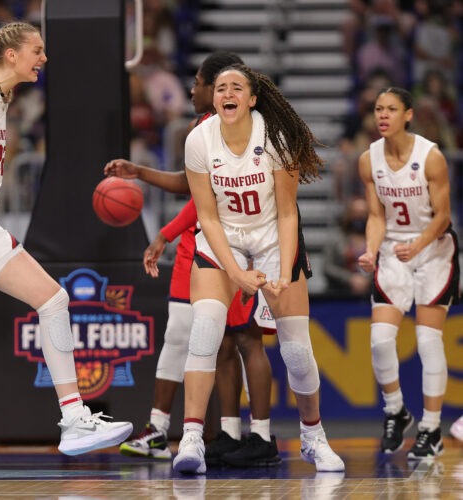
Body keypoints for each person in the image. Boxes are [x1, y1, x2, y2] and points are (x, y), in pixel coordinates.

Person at [0, 21, 133, 455]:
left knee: (54, 299)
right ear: (12, 54)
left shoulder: (0, 96)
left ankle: (74, 418)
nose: (44, 58)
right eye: (37, 50)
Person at [105, 51, 278, 467]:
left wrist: (164, 233)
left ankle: (257, 434)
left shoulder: (247, 130)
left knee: (242, 340)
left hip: (245, 242)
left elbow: (203, 201)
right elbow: (193, 187)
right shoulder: (203, 131)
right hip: (212, 244)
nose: (193, 89)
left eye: (201, 82)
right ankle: (222, 434)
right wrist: (140, 172)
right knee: (212, 341)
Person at [171, 63, 345, 474]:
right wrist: (234, 272)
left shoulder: (276, 138)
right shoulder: (198, 140)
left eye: (236, 87)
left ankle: (313, 438)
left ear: (251, 98)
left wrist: (283, 272)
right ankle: (192, 438)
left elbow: (287, 214)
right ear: (214, 99)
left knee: (297, 349)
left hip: (271, 236)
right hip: (223, 238)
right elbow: (207, 218)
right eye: (220, 88)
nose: (226, 92)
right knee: (206, 327)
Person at [357, 86, 460, 459]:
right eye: (378, 108)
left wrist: (417, 246)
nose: (382, 115)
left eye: (391, 109)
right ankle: (396, 411)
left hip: (433, 251)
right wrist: (370, 251)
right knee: (380, 340)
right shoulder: (369, 160)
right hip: (392, 251)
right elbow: (375, 215)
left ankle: (431, 430)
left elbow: (444, 216)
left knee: (429, 341)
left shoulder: (430, 157)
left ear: (409, 115)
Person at [323, 196, 372, 297]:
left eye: (363, 213)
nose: (359, 217)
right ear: (349, 215)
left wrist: (367, 280)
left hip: (371, 293)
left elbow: (383, 265)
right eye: (356, 213)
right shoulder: (336, 237)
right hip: (340, 294)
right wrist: (350, 278)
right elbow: (327, 267)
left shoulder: (377, 239)